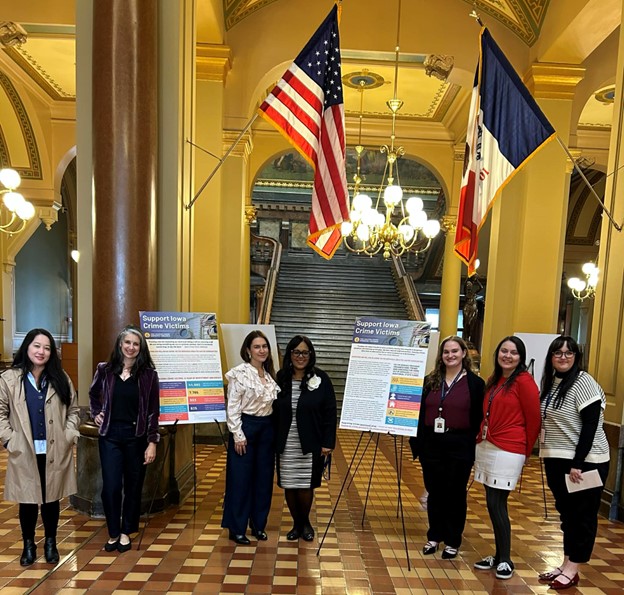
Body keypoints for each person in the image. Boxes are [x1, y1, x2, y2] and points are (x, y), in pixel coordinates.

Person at [0, 329, 80, 566]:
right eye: (37, 346)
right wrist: (9, 440)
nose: (41, 351)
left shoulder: (60, 378)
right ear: (27, 347)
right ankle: (28, 544)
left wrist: (69, 434)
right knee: (27, 499)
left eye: (46, 347)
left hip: (55, 448)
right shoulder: (10, 379)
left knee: (51, 499)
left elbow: (74, 411)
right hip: (23, 449)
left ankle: (51, 542)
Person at [537, 336, 609, 590]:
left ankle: (573, 567)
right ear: (551, 357)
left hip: (586, 462)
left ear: (577, 357)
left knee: (582, 516)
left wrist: (578, 462)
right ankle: (566, 563)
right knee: (567, 515)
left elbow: (591, 425)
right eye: (558, 353)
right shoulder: (552, 382)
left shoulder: (583, 382)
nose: (563, 357)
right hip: (557, 459)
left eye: (569, 353)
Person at [409, 336, 485, 559]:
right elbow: (418, 412)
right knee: (435, 492)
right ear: (441, 356)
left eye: (454, 351)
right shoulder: (429, 381)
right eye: (446, 352)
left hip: (460, 445)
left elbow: (479, 417)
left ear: (463, 353)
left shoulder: (475, 384)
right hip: (431, 444)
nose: (450, 355)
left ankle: (452, 540)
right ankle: (434, 536)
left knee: (455, 493)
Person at [473, 336, 541, 580]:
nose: (508, 356)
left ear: (520, 357)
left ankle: (505, 559)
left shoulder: (524, 381)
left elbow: (534, 420)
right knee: (492, 503)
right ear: (497, 353)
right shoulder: (495, 379)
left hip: (510, 448)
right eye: (504, 351)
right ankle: (498, 554)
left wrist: (525, 454)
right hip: (488, 444)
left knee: (497, 503)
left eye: (514, 352)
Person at [89, 325, 160, 553]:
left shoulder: (149, 375)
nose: (131, 347)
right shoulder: (105, 370)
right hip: (110, 436)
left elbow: (152, 411)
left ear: (141, 348)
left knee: (133, 486)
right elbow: (93, 394)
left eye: (136, 344)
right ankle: (112, 530)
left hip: (136, 437)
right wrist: (96, 412)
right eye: (127, 342)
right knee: (110, 486)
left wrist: (152, 442)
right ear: (120, 344)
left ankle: (125, 531)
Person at [274, 335, 336, 541]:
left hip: (310, 441)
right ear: (290, 354)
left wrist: (328, 443)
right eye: (296, 352)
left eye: (305, 352)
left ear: (311, 355)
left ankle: (305, 522)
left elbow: (329, 412)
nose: (300, 356)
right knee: (290, 484)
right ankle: (296, 524)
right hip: (285, 441)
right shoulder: (280, 377)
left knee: (305, 485)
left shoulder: (321, 379)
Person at [221, 330, 279, 544]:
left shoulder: (270, 374)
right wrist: (237, 434)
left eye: (264, 346)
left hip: (267, 429)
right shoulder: (239, 373)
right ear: (248, 350)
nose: (261, 350)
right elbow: (233, 406)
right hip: (245, 427)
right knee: (240, 480)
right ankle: (236, 527)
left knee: (263, 479)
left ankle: (258, 524)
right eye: (257, 346)